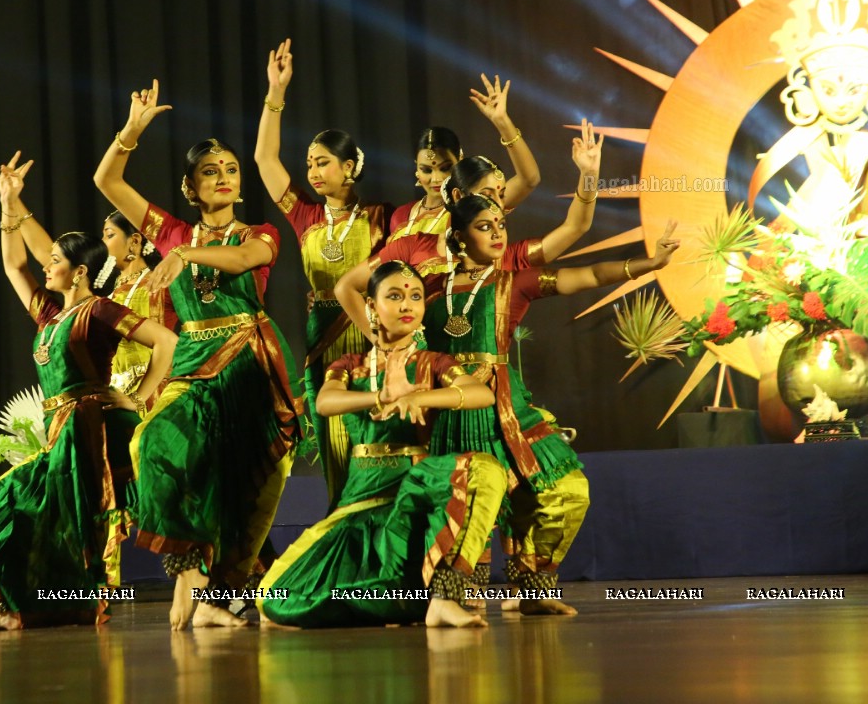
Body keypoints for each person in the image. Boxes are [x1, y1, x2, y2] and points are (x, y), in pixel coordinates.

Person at [94, 80, 304, 630]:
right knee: (153, 441)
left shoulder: (256, 233)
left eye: (231, 169)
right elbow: (106, 180)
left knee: (252, 481)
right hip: (192, 357)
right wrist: (132, 131)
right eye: (210, 170)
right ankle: (187, 562)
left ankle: (226, 594)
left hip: (249, 362)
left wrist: (186, 253)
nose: (224, 177)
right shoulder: (169, 230)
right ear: (190, 187)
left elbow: (243, 261)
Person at [420, 192, 679, 613]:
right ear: (458, 237)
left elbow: (589, 274)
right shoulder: (427, 290)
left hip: (505, 406)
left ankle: (535, 587)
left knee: (567, 488)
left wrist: (650, 264)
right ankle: (455, 592)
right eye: (484, 226)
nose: (497, 233)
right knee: (469, 497)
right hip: (451, 408)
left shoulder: (512, 283)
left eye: (500, 224)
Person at [0, 151, 177, 634]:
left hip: (88, 430)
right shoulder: (48, 315)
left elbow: (165, 341)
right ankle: (15, 608)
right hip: (58, 433)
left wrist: (141, 397)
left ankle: (71, 605)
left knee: (81, 520)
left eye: (56, 261)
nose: (47, 267)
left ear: (79, 271)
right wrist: (7, 205)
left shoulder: (99, 310)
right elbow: (14, 265)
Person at [257, 260, 503, 628]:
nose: (407, 305)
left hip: (413, 493)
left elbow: (478, 392)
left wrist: (420, 399)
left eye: (416, 297)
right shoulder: (351, 364)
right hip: (359, 504)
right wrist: (380, 399)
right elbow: (325, 402)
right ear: (371, 306)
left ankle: (443, 596)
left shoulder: (433, 362)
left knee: (485, 470)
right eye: (395, 296)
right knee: (274, 599)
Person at [254, 38, 391, 507]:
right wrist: (276, 93)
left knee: (376, 452)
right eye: (309, 163)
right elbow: (264, 161)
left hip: (376, 338)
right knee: (336, 454)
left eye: (323, 162)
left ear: (349, 167)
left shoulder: (382, 217)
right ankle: (343, 553)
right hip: (323, 343)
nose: (312, 171)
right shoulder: (304, 216)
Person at [335, 122, 604, 341]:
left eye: (500, 196)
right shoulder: (412, 245)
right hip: (420, 380)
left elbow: (576, 226)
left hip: (486, 393)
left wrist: (590, 173)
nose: (497, 203)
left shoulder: (505, 256)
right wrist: (381, 341)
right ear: (458, 195)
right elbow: (348, 286)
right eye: (487, 194)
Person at [387, 75, 540, 242]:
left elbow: (529, 179)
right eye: (427, 170)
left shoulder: (473, 204)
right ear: (417, 168)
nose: (436, 178)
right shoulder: (401, 215)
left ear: (459, 160)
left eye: (445, 168)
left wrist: (502, 122)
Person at [95, 210, 179, 397]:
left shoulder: (160, 283)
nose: (103, 242)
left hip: (155, 394)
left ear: (134, 241)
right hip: (114, 395)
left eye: (109, 235)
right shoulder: (109, 296)